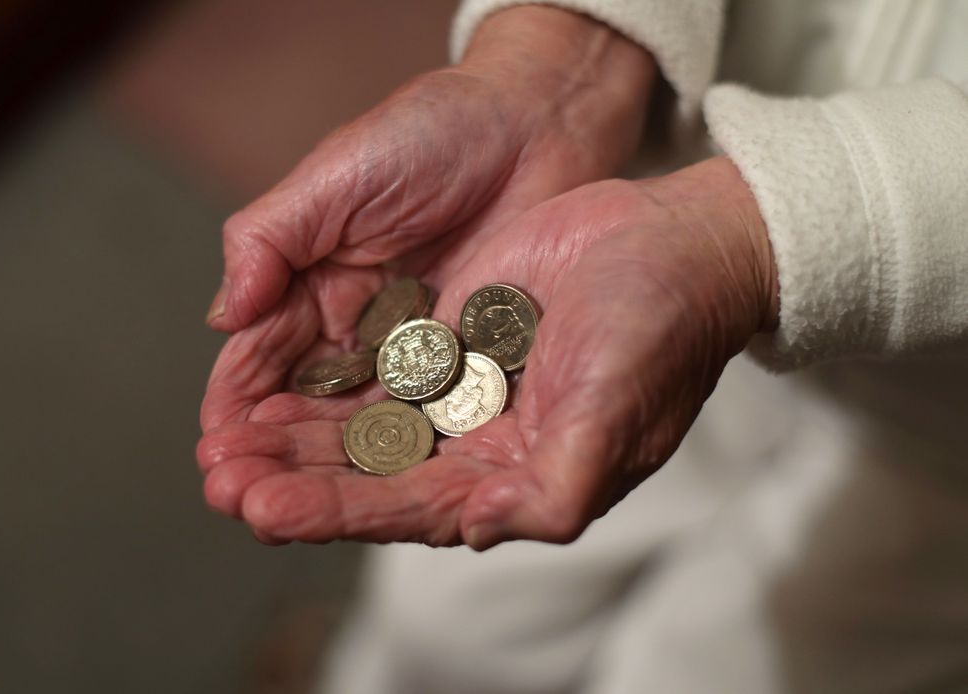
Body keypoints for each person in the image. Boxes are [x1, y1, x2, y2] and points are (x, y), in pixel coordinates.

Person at [196, 1, 968, 692]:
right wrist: (565, 53)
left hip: (945, 444)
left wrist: (754, 237)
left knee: (714, 670)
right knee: (446, 619)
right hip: (643, 247)